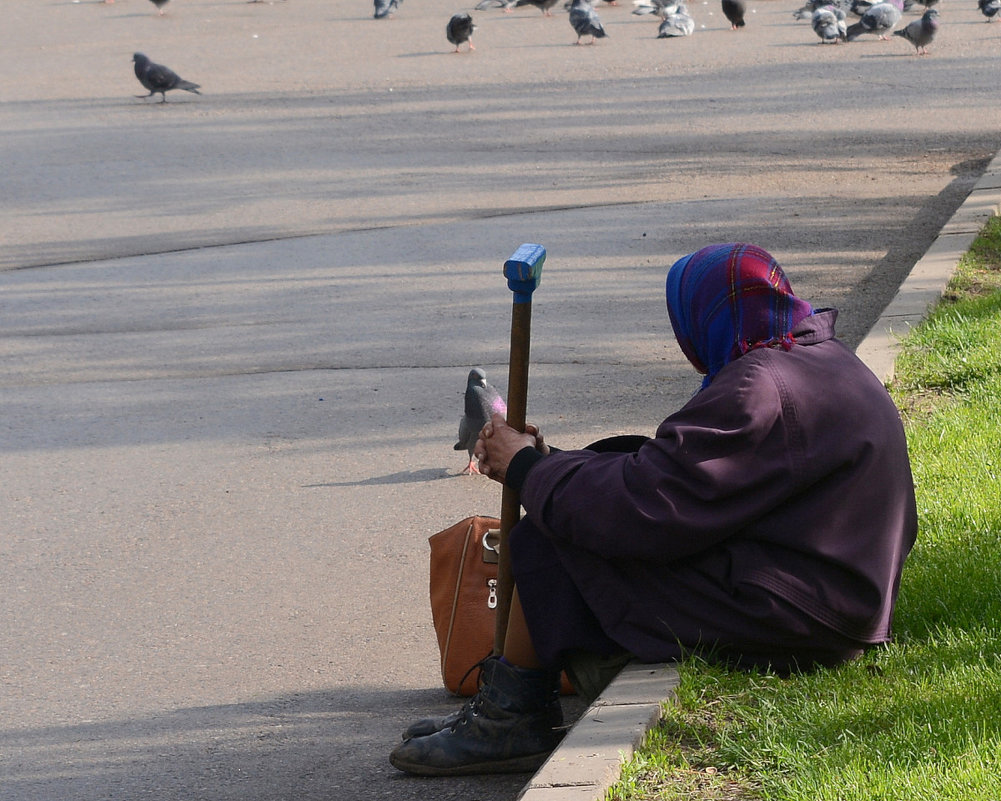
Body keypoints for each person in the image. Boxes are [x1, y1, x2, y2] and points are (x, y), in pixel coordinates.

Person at [390, 242, 917, 777]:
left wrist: (528, 470)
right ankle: (510, 695)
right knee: (590, 477)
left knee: (555, 534)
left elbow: (643, 508)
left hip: (801, 617)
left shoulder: (759, 388)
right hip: (828, 594)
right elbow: (674, 478)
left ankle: (511, 717)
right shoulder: (816, 360)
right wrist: (544, 463)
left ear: (704, 317)